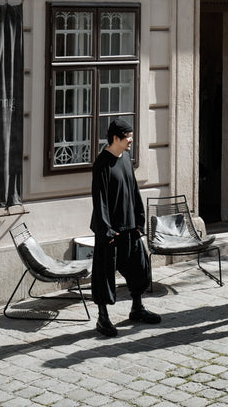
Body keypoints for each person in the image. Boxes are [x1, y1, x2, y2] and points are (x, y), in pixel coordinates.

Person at [90, 117, 160, 337]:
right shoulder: (102, 163)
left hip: (130, 226)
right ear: (115, 138)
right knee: (104, 274)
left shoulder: (126, 157)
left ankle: (137, 308)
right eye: (127, 137)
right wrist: (106, 230)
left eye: (130, 136)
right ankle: (103, 318)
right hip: (110, 231)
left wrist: (139, 221)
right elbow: (99, 199)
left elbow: (133, 190)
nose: (131, 140)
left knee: (139, 267)